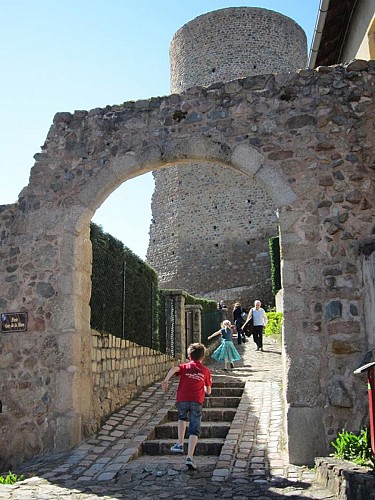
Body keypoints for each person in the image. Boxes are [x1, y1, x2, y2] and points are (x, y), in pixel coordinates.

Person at [161, 342, 212, 471]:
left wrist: (166, 380)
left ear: (189, 356)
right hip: (196, 401)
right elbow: (209, 391)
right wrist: (203, 387)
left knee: (182, 418)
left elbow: (174, 369)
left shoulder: (185, 366)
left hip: (182, 399)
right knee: (194, 428)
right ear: (203, 357)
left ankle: (179, 443)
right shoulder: (206, 371)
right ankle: (189, 456)